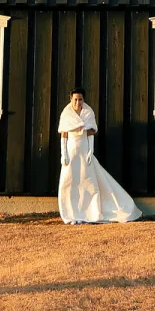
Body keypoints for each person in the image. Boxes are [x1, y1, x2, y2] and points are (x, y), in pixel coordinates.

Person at [57, 87, 141, 224]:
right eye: (75, 100)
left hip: (84, 150)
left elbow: (90, 133)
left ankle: (90, 212)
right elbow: (64, 135)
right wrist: (63, 153)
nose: (78, 102)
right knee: (70, 182)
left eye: (80, 99)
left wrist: (91, 151)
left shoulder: (88, 112)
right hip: (71, 152)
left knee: (88, 182)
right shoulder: (66, 114)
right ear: (71, 99)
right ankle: (71, 214)